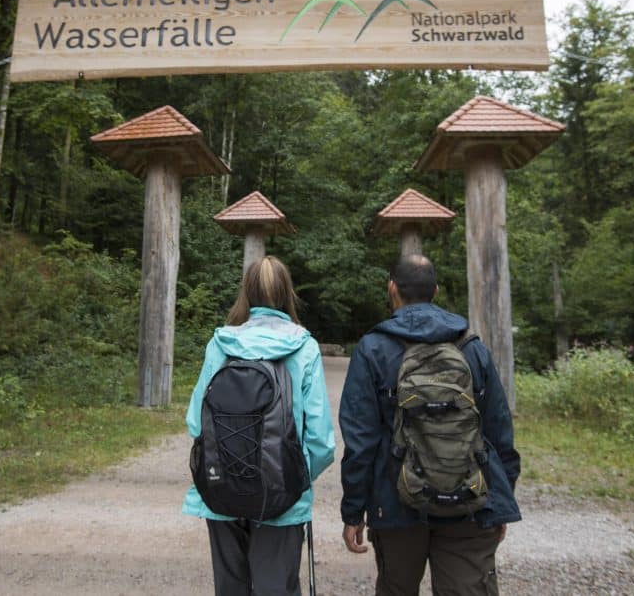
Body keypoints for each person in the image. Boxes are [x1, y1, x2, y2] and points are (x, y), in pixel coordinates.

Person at [339, 253, 521, 596]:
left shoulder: (373, 349)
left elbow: (360, 442)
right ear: (435, 290)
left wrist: (353, 512)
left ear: (392, 289)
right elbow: (498, 430)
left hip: (395, 502)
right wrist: (499, 498)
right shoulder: (471, 348)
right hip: (469, 500)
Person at [183, 255, 336, 596]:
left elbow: (196, 422)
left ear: (247, 293)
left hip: (220, 492)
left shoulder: (222, 343)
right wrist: (292, 479)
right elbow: (321, 442)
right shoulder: (304, 347)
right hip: (282, 497)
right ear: (287, 294)